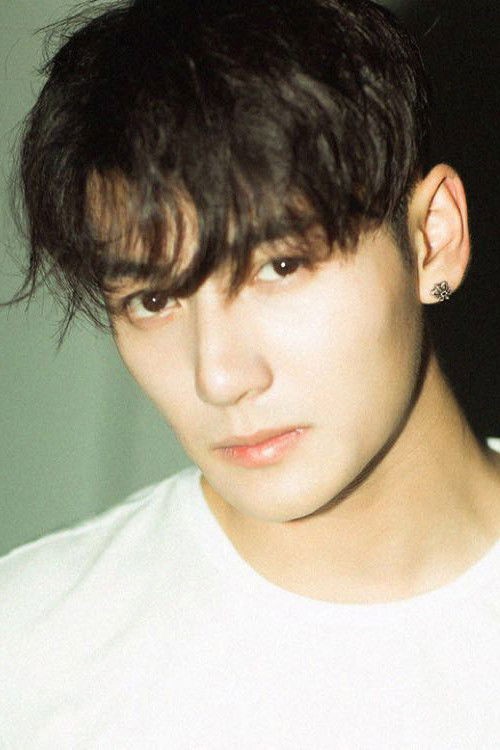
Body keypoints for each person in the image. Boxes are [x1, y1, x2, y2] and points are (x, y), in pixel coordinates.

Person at [0, 0, 499, 746]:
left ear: (433, 238)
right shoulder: (31, 652)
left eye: (280, 267)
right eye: (154, 300)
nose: (220, 377)